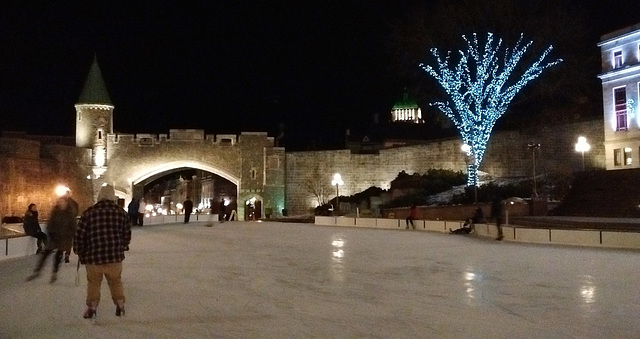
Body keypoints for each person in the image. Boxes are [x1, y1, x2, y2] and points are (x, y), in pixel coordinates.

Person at [74, 184, 132, 319]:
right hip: (114, 258)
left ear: (100, 196)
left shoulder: (89, 213)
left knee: (93, 283)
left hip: (93, 258)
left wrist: (79, 250)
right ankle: (120, 303)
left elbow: (80, 235)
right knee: (115, 281)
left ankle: (92, 307)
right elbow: (127, 235)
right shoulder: (121, 213)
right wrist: (121, 246)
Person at [26, 197, 77, 283]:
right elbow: (50, 223)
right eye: (60, 202)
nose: (61, 204)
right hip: (54, 237)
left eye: (63, 202)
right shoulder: (55, 212)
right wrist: (50, 232)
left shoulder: (69, 214)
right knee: (46, 254)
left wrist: (71, 236)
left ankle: (54, 273)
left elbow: (73, 227)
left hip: (64, 238)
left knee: (58, 256)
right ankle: (37, 271)